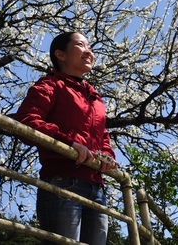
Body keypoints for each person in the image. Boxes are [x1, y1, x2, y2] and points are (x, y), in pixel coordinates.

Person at [16, 32, 118, 245]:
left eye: (89, 47)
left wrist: (107, 154)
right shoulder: (50, 85)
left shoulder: (94, 97)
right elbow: (26, 120)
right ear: (60, 54)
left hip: (97, 188)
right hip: (62, 182)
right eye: (81, 45)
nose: (89, 51)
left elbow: (101, 134)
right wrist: (68, 141)